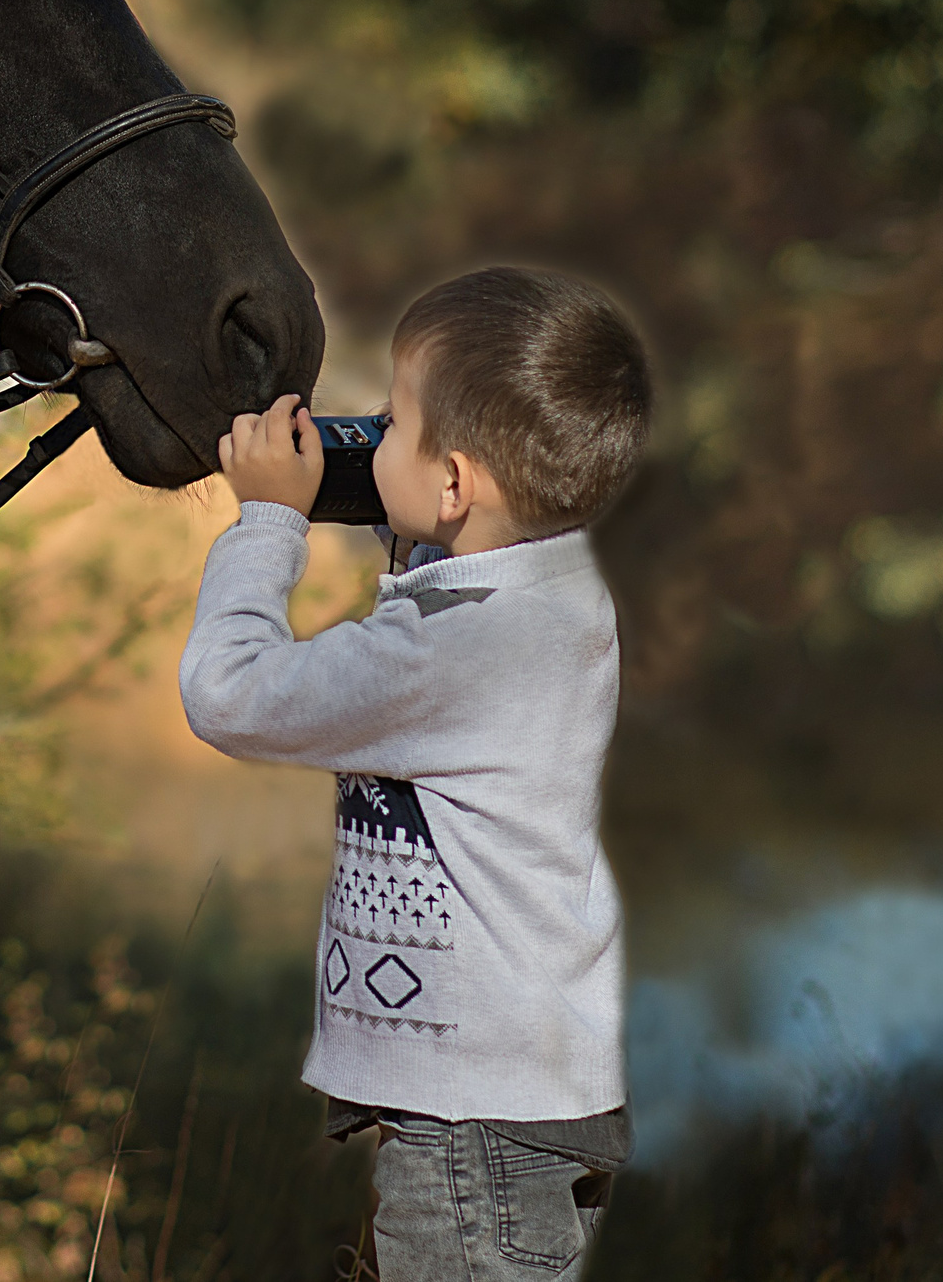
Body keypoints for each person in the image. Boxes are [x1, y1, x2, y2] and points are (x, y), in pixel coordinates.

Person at [179, 264, 654, 1281]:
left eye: (390, 423)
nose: (372, 434)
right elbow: (451, 584)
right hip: (528, 1096)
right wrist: (398, 501)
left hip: (467, 1134)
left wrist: (268, 521)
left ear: (454, 485)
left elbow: (228, 693)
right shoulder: (557, 593)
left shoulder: (449, 652)